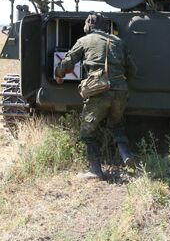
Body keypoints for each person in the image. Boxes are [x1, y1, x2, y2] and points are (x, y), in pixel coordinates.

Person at [55, 13, 137, 180]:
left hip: (98, 91)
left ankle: (95, 170)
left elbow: (68, 61)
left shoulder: (84, 41)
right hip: (121, 91)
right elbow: (133, 69)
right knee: (117, 126)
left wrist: (59, 74)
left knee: (87, 131)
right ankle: (126, 155)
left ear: (87, 27)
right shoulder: (118, 41)